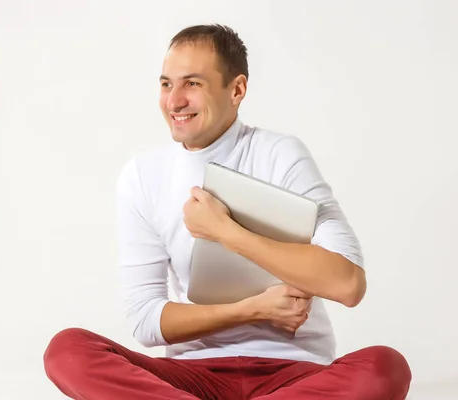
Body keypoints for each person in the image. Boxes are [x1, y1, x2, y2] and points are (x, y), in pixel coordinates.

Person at [43, 24, 412, 399]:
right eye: (167, 84)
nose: (174, 101)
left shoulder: (279, 155)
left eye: (193, 84)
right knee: (68, 350)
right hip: (190, 376)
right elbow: (145, 320)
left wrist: (227, 233)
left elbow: (347, 285)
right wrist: (252, 310)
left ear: (236, 90)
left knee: (385, 367)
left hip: (295, 374)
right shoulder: (142, 176)